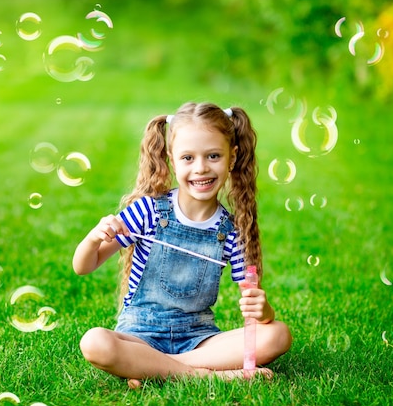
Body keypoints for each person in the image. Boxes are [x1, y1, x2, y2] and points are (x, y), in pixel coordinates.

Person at [72, 101, 292, 387]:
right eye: (188, 158)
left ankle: (152, 370)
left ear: (232, 158)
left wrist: (264, 311)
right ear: (172, 161)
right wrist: (93, 238)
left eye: (213, 156)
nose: (201, 168)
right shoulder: (148, 211)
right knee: (95, 342)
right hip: (140, 336)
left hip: (198, 340)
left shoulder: (231, 231)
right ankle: (203, 375)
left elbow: (256, 314)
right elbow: (83, 266)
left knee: (278, 334)